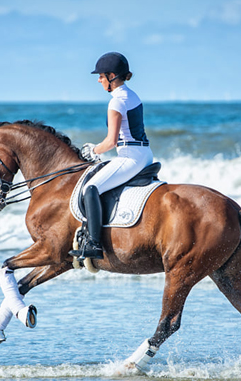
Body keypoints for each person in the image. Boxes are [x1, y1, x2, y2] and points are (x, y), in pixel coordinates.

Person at [69, 52, 154, 260]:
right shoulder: (132, 95)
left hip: (130, 157)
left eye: (101, 76)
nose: (98, 80)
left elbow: (111, 142)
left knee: (91, 189)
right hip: (144, 154)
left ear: (112, 76)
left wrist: (92, 150)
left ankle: (94, 244)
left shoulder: (116, 102)